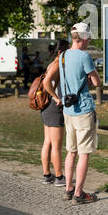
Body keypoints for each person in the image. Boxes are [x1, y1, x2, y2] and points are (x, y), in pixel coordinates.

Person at [59, 22, 101, 204]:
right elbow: (96, 81)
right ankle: (79, 193)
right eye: (89, 39)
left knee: (71, 151)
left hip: (68, 110)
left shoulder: (63, 56)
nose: (89, 41)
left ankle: (68, 188)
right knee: (84, 153)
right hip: (83, 109)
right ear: (83, 38)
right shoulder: (84, 56)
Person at [41, 39, 69, 186]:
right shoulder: (57, 64)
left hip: (46, 107)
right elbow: (46, 83)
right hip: (54, 106)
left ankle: (47, 174)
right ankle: (59, 177)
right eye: (67, 51)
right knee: (56, 145)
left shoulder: (53, 63)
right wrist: (56, 97)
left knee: (48, 142)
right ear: (60, 52)